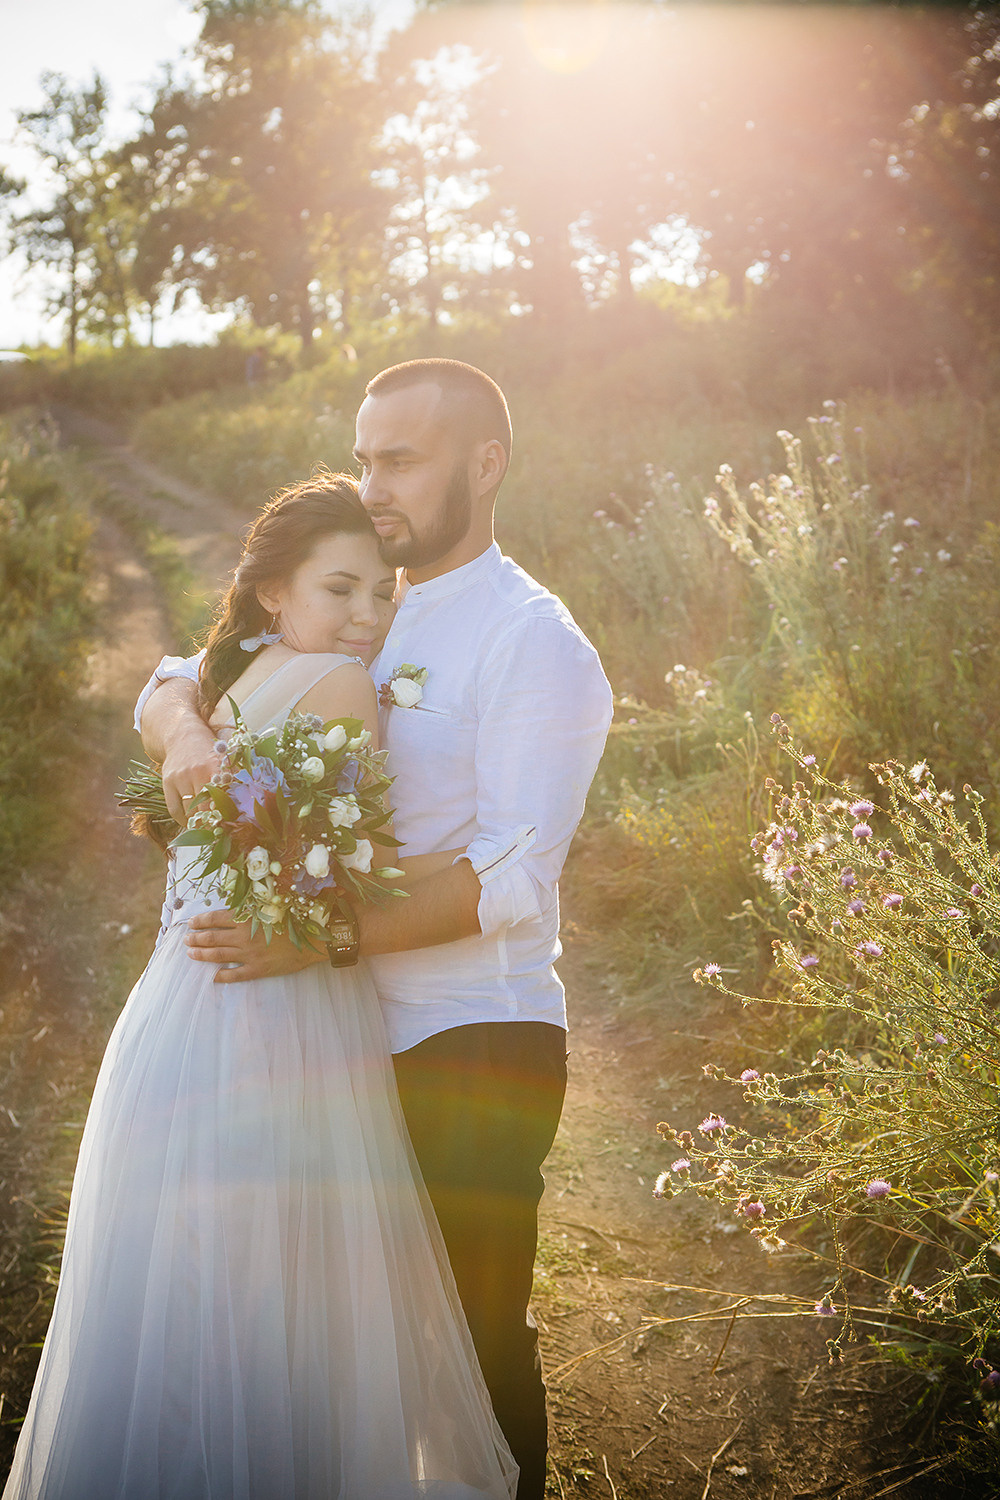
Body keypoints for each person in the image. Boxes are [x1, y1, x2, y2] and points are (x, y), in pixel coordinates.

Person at [135, 360, 614, 1500]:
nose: (373, 482)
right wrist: (183, 743)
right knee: (338, 1348)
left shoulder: (532, 643)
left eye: (398, 459)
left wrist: (317, 939)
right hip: (329, 1042)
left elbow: (511, 876)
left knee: (470, 1345)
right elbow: (184, 671)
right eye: (363, 456)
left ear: (484, 465)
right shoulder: (363, 598)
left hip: (467, 1040)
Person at [3, 474, 518, 1500]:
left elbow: (166, 691)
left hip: (177, 1009)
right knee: (293, 1280)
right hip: (280, 1009)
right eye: (342, 590)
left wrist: (188, 725)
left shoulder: (228, 679)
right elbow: (337, 865)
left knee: (192, 1278)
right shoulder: (339, 687)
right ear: (275, 591)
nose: (367, 617)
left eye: (383, 593)